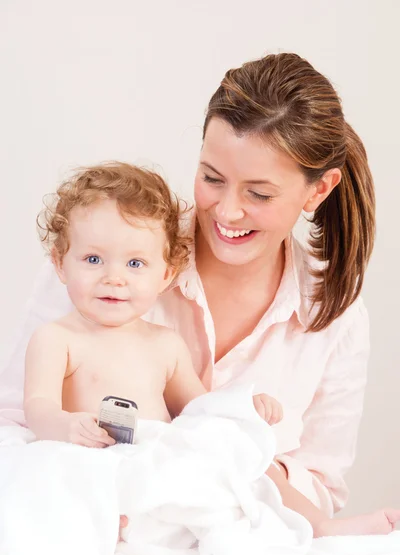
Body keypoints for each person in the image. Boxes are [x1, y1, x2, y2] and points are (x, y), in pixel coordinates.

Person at [0, 52, 382, 518]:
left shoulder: (336, 317)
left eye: (258, 194)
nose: (226, 211)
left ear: (317, 191)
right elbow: (14, 422)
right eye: (211, 178)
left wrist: (238, 435)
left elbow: (319, 486)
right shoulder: (100, 261)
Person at [24, 161, 400, 538]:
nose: (113, 277)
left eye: (135, 263)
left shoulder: (163, 344)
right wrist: (67, 426)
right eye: (93, 260)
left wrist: (241, 409)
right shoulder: (57, 338)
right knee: (54, 490)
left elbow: (202, 410)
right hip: (92, 463)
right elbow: (36, 409)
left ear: (166, 274)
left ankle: (321, 527)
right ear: (60, 264)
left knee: (236, 446)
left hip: (158, 467)